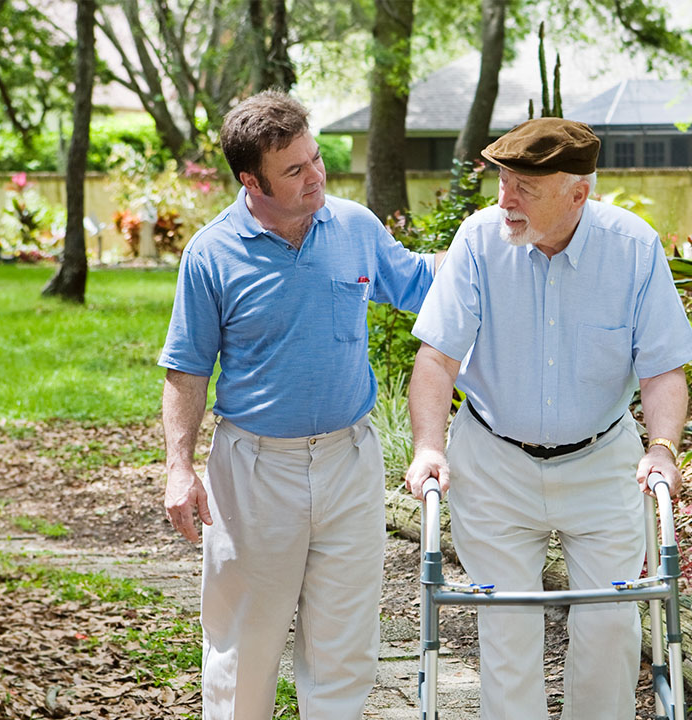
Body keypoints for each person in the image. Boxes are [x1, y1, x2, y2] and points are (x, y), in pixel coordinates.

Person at [403, 117, 692, 719]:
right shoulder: (479, 241)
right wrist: (428, 446)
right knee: (509, 634)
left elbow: (664, 367)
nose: (505, 201)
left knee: (611, 629)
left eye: (525, 189)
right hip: (495, 463)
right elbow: (437, 358)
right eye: (503, 183)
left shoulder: (633, 246)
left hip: (601, 461)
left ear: (578, 194)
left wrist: (663, 448)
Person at [159, 89, 442, 720]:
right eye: (294, 170)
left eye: (315, 159)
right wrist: (179, 466)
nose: (315, 176)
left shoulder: (355, 227)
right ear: (249, 180)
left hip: (349, 460)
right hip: (256, 469)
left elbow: (422, 283)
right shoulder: (211, 253)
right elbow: (186, 369)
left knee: (344, 645)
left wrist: (492, 245)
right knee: (246, 645)